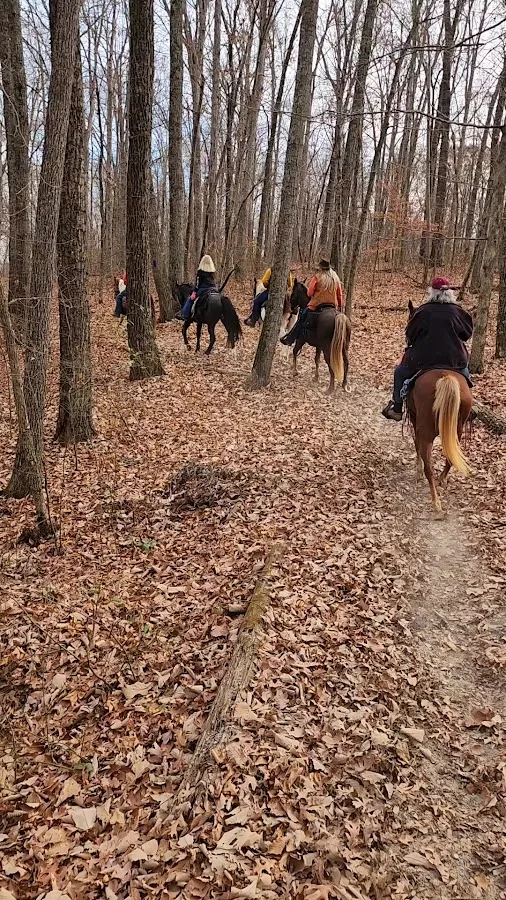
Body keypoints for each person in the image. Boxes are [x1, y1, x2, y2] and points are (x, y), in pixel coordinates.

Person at [382, 276, 474, 422]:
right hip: (454, 360)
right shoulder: (458, 312)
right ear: (449, 293)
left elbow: (410, 334)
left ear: (432, 292)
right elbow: (467, 333)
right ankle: (469, 407)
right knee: (465, 376)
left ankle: (397, 408)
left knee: (399, 372)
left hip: (423, 360)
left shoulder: (422, 311)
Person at [280, 259, 343, 346]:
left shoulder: (317, 277)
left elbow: (309, 293)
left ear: (321, 268)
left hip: (317, 305)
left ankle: (290, 339)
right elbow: (340, 295)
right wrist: (339, 306)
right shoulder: (335, 278)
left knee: (302, 318)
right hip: (332, 306)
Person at [177, 255, 218, 321]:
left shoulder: (200, 272)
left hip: (203, 289)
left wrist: (194, 292)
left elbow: (197, 284)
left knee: (190, 299)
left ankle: (184, 314)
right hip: (214, 289)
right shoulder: (213, 272)